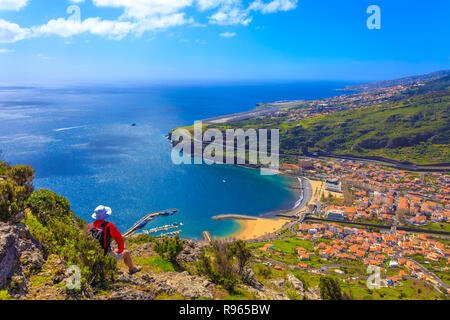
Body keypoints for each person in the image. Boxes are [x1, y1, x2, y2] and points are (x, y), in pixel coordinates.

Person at [88, 205, 141, 274]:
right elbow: (120, 240)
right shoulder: (109, 226)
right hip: (105, 256)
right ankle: (132, 269)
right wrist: (119, 251)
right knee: (126, 253)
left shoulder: (90, 226)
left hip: (91, 257)